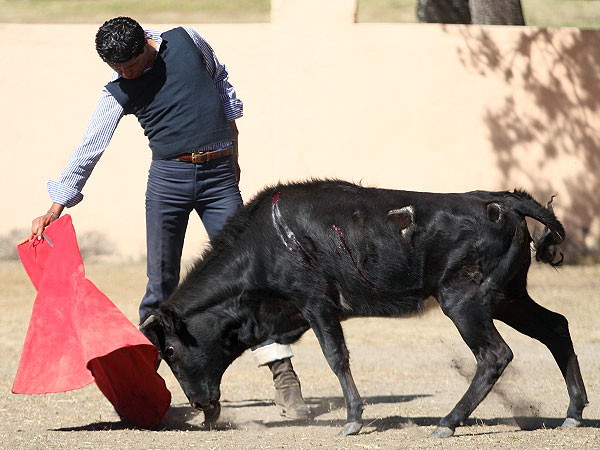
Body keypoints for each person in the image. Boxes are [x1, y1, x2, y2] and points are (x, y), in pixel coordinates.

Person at [29, 16, 309, 420]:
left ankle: (286, 383)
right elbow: (91, 145)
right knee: (160, 285)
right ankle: (144, 394)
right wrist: (56, 204)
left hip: (219, 178)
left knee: (252, 280)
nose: (125, 73)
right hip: (168, 182)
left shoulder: (187, 41)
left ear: (147, 42)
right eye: (117, 68)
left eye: (130, 64)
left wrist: (233, 147)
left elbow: (221, 82)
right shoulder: (117, 90)